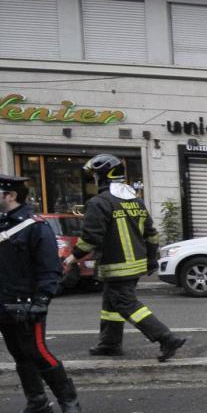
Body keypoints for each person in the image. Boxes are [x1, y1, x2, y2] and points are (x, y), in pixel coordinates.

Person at [65, 155, 186, 361]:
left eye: (95, 175)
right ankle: (110, 344)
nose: (93, 179)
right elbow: (151, 234)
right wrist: (151, 258)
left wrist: (72, 257)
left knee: (126, 304)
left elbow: (91, 237)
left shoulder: (99, 202)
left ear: (102, 176)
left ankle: (166, 338)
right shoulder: (135, 201)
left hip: (116, 266)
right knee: (111, 305)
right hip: (135, 265)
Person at [0, 174, 82, 413]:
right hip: (4, 302)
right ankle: (36, 403)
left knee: (38, 352)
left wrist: (42, 300)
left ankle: (69, 402)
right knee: (19, 354)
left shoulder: (35, 226)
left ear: (11, 196)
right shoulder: (3, 224)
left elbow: (50, 268)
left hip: (26, 303)